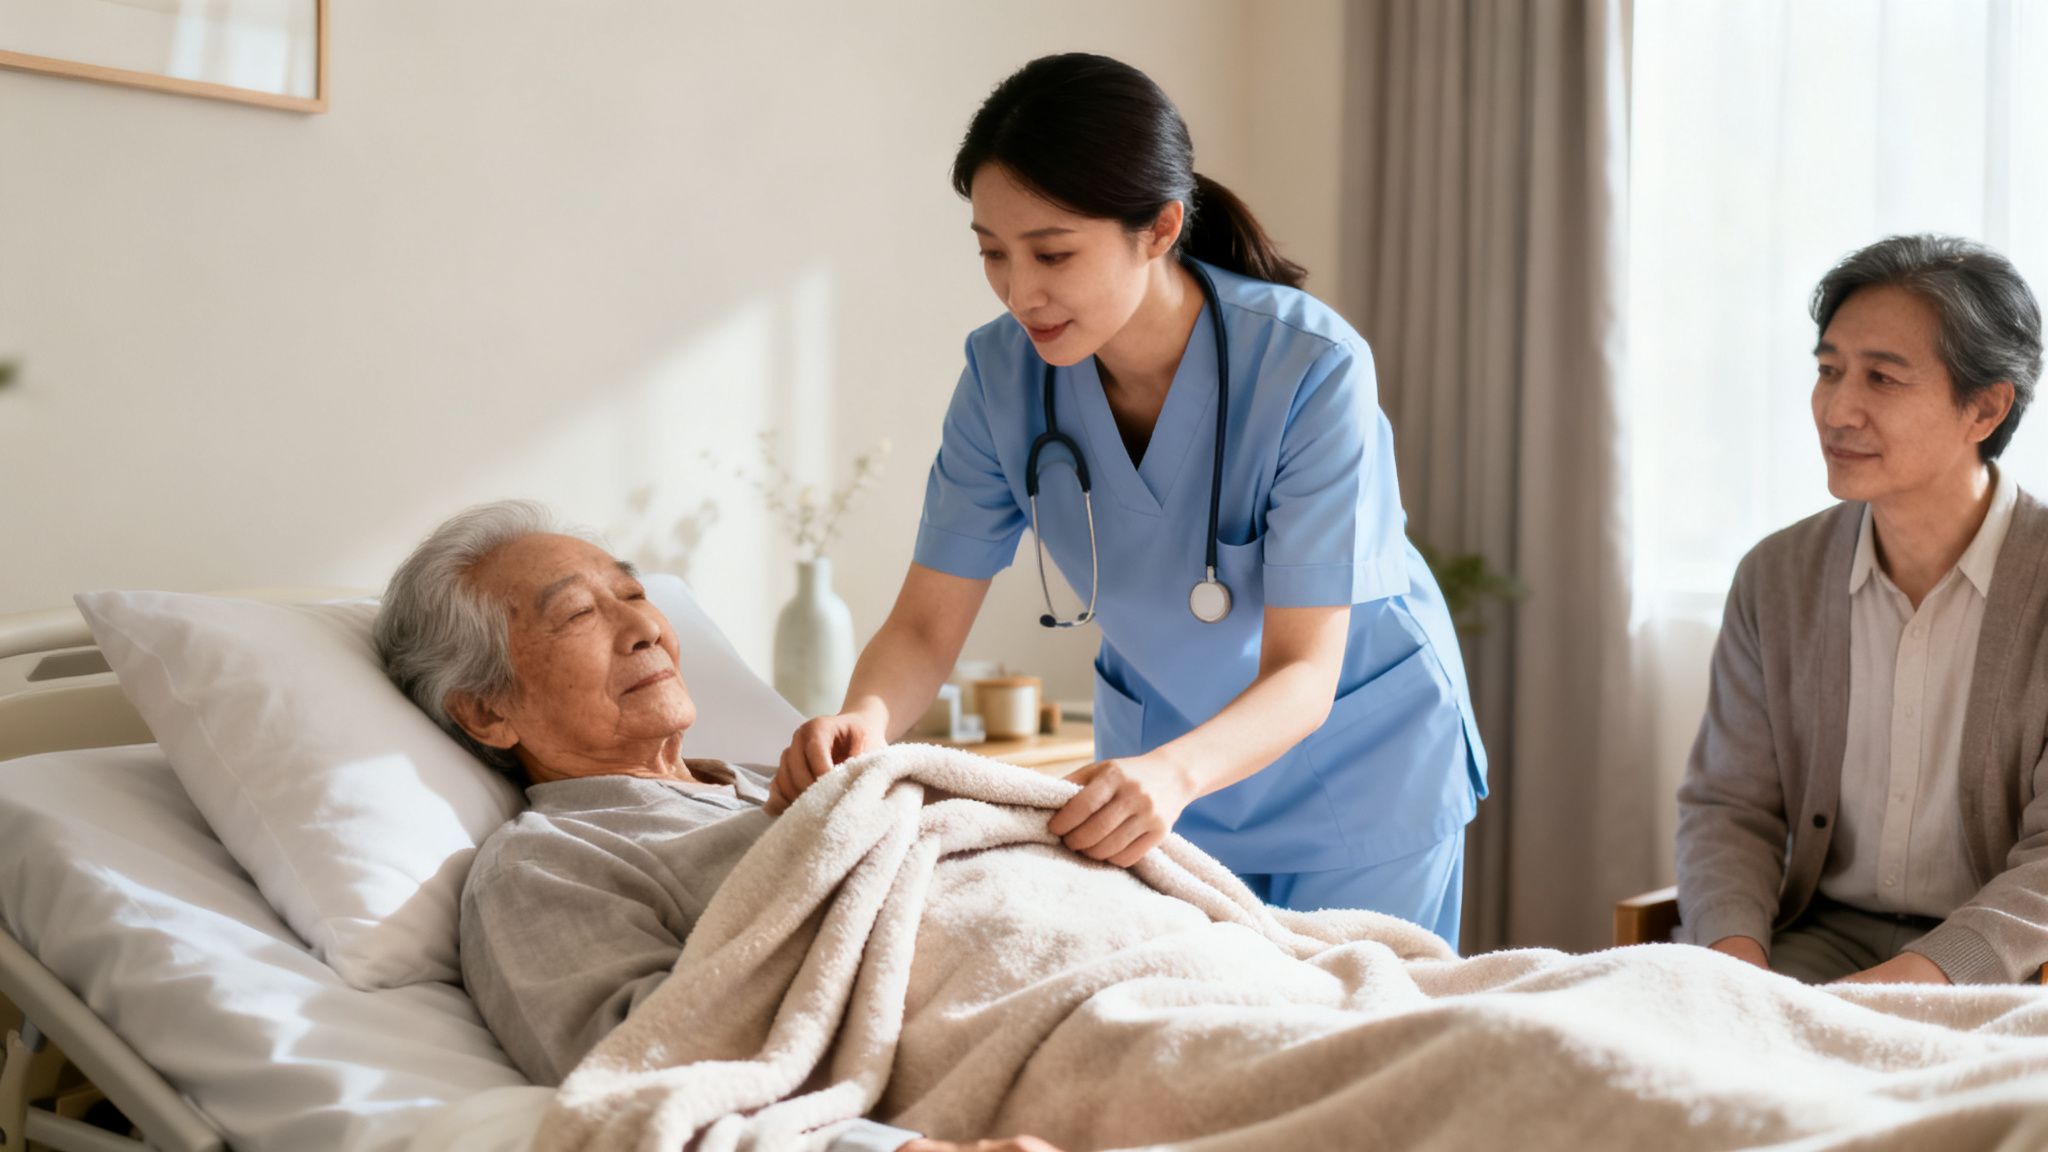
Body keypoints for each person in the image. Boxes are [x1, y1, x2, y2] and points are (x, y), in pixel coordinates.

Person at [771, 53, 1484, 947]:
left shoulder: (1309, 368)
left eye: (1053, 253)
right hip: (1158, 759)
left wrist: (1177, 775)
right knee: (1179, 1040)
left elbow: (1306, 671)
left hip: (1356, 763)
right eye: (993, 252)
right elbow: (923, 627)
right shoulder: (1001, 378)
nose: (1019, 290)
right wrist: (863, 718)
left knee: (1356, 1049)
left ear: (1159, 228)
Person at [375, 501, 1052, 1152]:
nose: (645, 629)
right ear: (487, 713)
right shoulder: (544, 865)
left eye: (635, 595)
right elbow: (650, 1077)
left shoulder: (777, 778)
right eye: (578, 612)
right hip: (1023, 1048)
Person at [1676, 234, 2048, 985]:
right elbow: (1728, 808)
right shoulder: (1776, 577)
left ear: (1985, 407)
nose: (1837, 409)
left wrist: (1900, 987)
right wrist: (1736, 976)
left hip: (2000, 965)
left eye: (1882, 378)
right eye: (1829, 370)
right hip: (1815, 941)